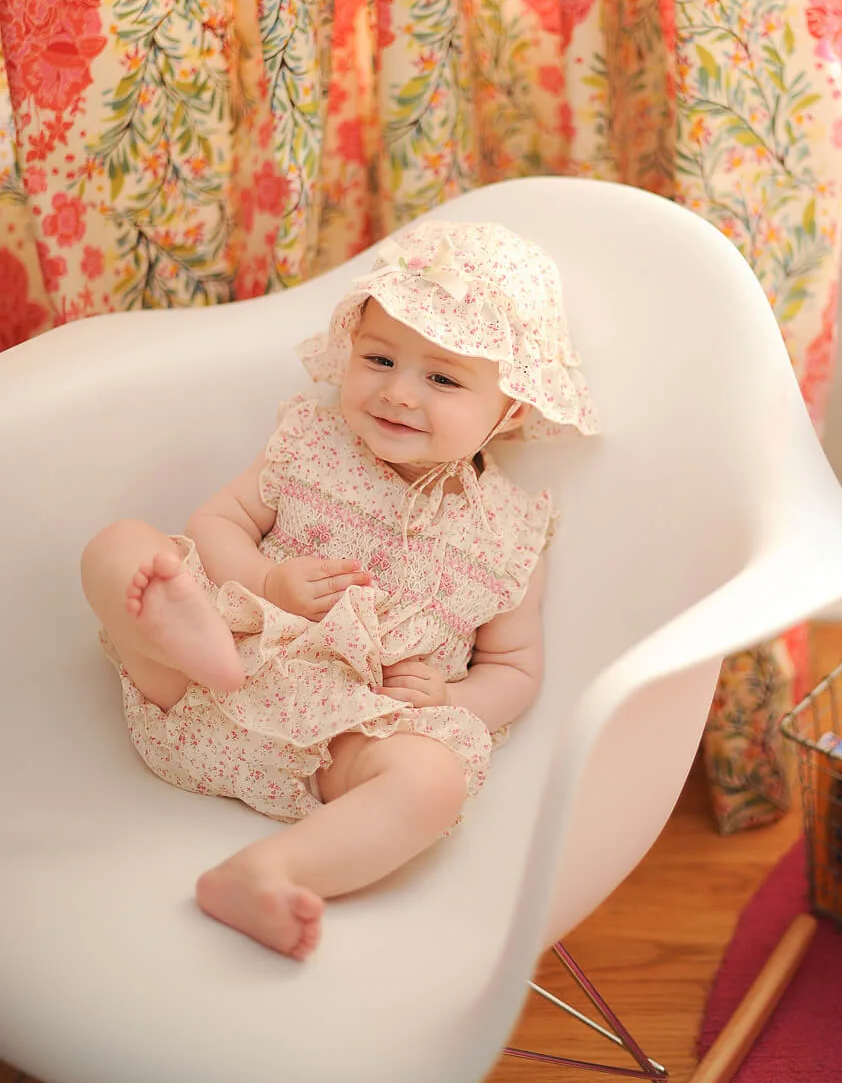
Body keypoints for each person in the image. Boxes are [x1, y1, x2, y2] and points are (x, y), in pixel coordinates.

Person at [81, 220, 598, 960]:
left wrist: (451, 702)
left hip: (339, 742)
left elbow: (514, 670)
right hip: (201, 683)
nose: (396, 392)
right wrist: (264, 579)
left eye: (442, 377)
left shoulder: (510, 533)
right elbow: (219, 518)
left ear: (511, 408)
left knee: (433, 778)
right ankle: (188, 638)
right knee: (122, 546)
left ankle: (270, 870)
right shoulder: (311, 441)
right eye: (379, 357)